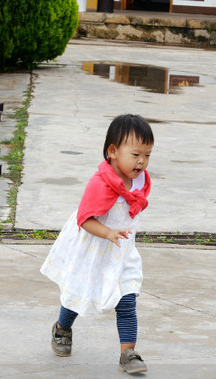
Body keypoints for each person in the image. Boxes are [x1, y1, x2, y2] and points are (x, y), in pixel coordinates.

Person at [41, 114, 154, 374]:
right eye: (136, 154)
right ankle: (62, 328)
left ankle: (128, 353)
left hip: (121, 250)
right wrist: (108, 233)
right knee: (79, 292)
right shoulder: (101, 183)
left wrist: (117, 237)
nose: (142, 162)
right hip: (93, 246)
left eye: (147, 155)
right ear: (113, 151)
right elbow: (84, 219)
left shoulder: (138, 180)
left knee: (127, 299)